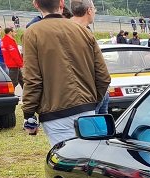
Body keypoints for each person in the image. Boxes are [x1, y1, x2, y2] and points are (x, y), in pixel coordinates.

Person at [21, 0, 110, 146]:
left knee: (67, 162)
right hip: (86, 109)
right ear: (62, 3)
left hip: (55, 115)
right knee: (90, 158)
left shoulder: (32, 33)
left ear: (35, 4)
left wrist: (29, 115)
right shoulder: (83, 31)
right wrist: (92, 102)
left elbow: (32, 79)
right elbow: (103, 76)